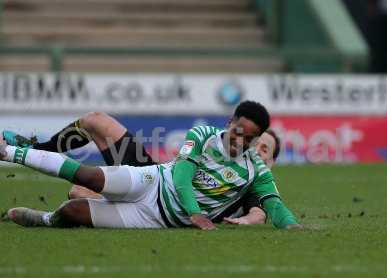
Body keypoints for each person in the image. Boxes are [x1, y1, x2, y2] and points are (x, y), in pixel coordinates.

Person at [2, 101, 301, 230]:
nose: (249, 146)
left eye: (260, 146)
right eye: (240, 133)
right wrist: (196, 214)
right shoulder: (205, 135)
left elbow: (266, 208)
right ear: (229, 122)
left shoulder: (254, 176)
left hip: (156, 216)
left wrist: (289, 225)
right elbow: (183, 174)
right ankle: (12, 151)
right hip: (156, 179)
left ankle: (44, 219)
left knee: (73, 207)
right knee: (89, 170)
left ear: (271, 159)